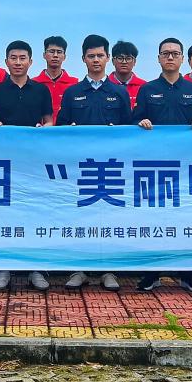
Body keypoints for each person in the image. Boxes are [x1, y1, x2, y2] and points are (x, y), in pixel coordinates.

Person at [55, 34, 133, 292]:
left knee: (109, 218)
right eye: (91, 56)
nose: (96, 60)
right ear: (83, 59)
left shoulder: (119, 93)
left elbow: (129, 131)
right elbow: (60, 128)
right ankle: (79, 269)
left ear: (107, 58)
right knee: (79, 218)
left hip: (110, 170)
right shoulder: (73, 93)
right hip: (81, 170)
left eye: (100, 55)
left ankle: (108, 270)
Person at [133, 38, 192, 294]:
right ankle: (151, 273)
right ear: (158, 58)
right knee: (153, 219)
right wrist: (141, 123)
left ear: (182, 59)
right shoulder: (147, 89)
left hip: (185, 167)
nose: (170, 57)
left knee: (186, 218)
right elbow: (133, 122)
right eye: (165, 53)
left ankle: (188, 275)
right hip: (154, 166)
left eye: (175, 53)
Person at [0, 40, 55, 291]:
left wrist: (42, 130)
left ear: (30, 62)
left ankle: (36, 268)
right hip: (5, 162)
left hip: (34, 162)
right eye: (13, 58)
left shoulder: (41, 91)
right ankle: (4, 267)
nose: (17, 62)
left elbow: (49, 121)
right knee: (6, 213)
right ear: (6, 61)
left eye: (22, 58)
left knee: (34, 211)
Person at [33, 35, 78, 120]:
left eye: (59, 52)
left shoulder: (75, 84)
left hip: (66, 128)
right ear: (44, 55)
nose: (55, 55)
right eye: (51, 51)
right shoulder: (33, 84)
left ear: (64, 56)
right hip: (41, 128)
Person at [108, 41, 146, 107]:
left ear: (134, 62)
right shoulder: (104, 85)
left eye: (128, 58)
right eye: (120, 58)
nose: (124, 62)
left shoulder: (144, 86)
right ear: (113, 61)